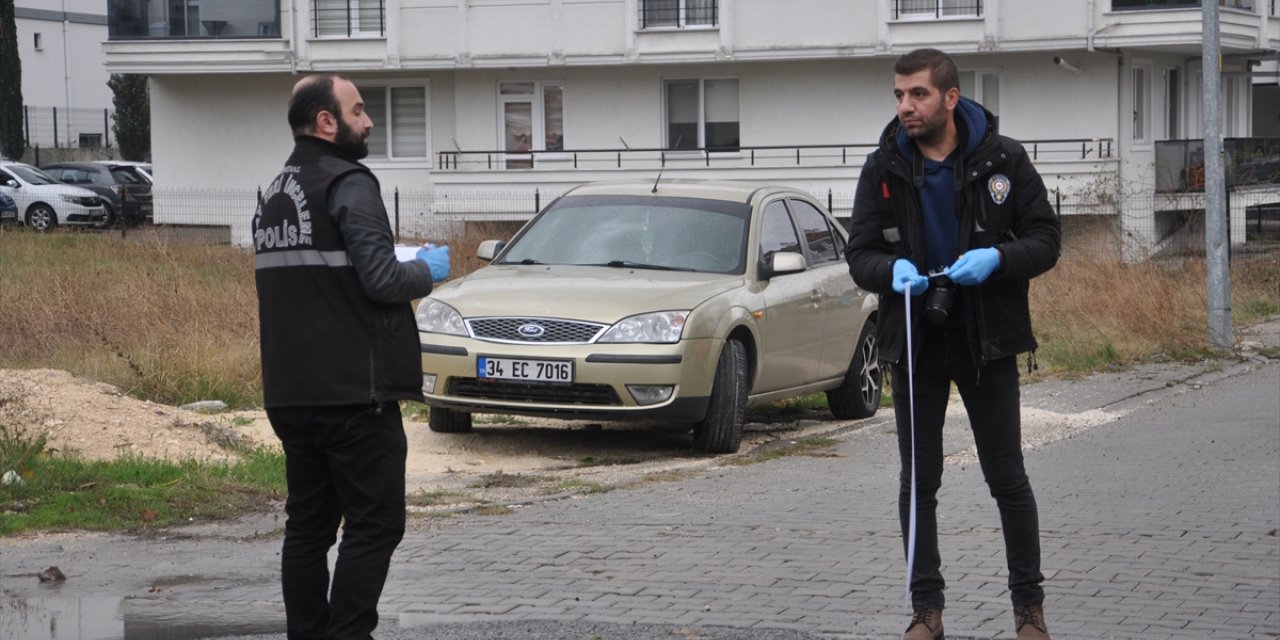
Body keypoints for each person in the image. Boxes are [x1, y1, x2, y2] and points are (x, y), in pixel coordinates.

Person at [845, 49, 1061, 640]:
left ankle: (1029, 612)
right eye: (898, 95)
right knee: (919, 481)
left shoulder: (1004, 159)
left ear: (950, 98)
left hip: (987, 339)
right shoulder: (882, 167)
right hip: (914, 340)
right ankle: (927, 612)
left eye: (917, 94)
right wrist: (891, 272)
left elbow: (1046, 240)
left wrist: (996, 258)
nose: (905, 107)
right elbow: (859, 253)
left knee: (1007, 476)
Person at [252, 73, 448, 640]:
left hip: (291, 393)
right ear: (326, 122)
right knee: (376, 524)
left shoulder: (271, 195)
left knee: (308, 528)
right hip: (354, 397)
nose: (368, 121)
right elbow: (384, 279)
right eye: (358, 111)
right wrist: (428, 270)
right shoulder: (350, 181)